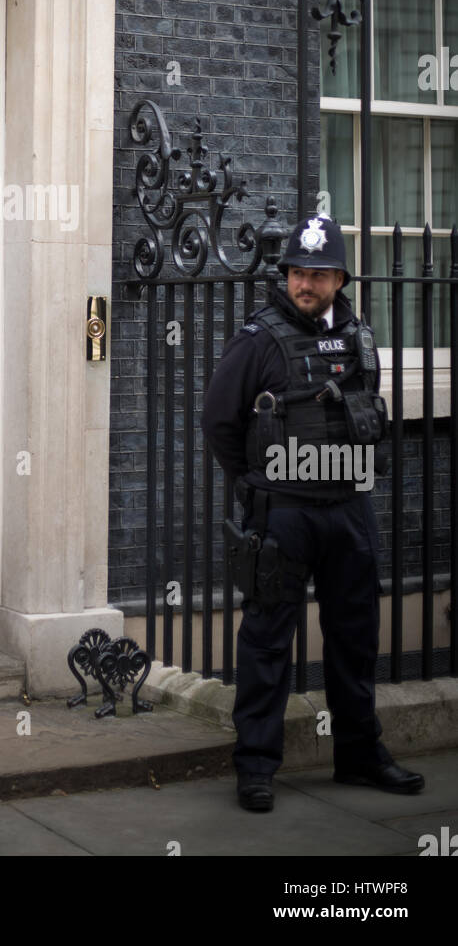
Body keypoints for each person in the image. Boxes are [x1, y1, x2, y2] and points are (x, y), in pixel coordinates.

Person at [201, 214, 424, 812]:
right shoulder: (258, 338)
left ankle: (359, 755)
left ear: (340, 279)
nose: (306, 283)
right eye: (299, 272)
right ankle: (255, 767)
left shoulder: (358, 335)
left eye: (319, 274)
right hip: (285, 513)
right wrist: (256, 485)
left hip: (349, 507)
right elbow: (220, 421)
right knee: (268, 640)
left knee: (356, 637)